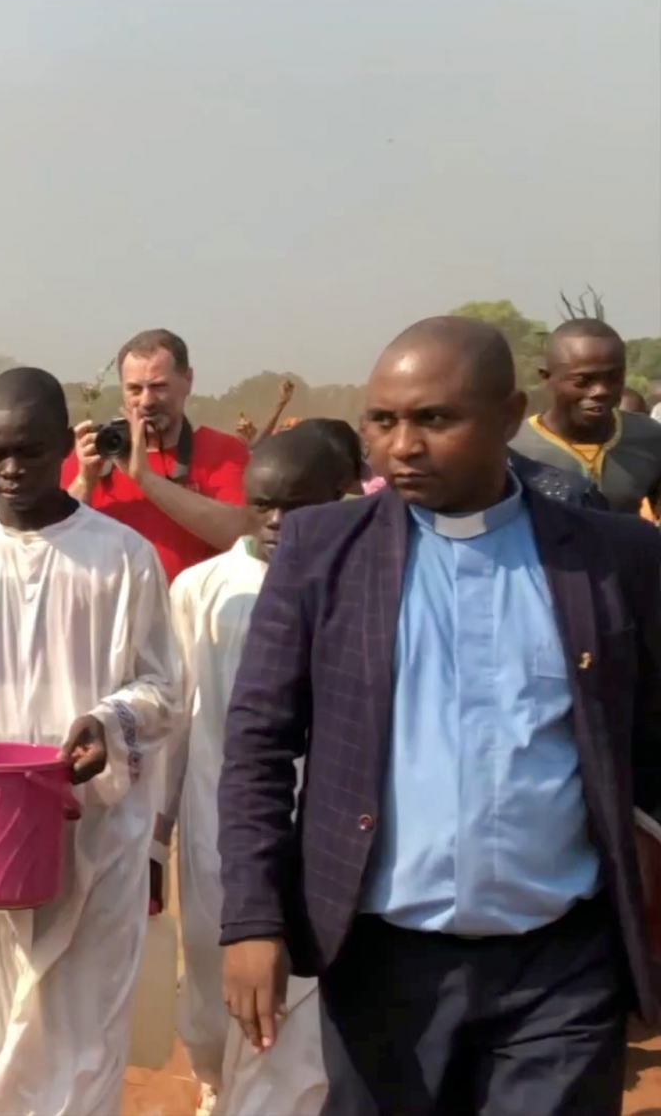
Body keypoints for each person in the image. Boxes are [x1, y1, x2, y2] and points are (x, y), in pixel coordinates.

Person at [221, 316, 661, 1116]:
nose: (403, 446)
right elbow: (257, 744)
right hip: (382, 960)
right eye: (383, 420)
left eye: (434, 419)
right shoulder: (324, 553)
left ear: (509, 414)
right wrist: (252, 918)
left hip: (560, 966)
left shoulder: (611, 558)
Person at [0, 368, 182, 1116]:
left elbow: (163, 687)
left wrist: (108, 719)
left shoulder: (122, 556)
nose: (11, 470)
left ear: (65, 444)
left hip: (92, 836)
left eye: (28, 451)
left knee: (84, 1043)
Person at [156, 429, 345, 1116]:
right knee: (212, 1003)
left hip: (329, 843)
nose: (276, 521)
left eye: (297, 506)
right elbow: (175, 721)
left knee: (302, 1014)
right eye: (263, 504)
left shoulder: (359, 589)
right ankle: (216, 1087)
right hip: (216, 837)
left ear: (342, 498)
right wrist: (158, 832)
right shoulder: (200, 589)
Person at [67, 329, 251, 581]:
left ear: (187, 380)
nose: (147, 401)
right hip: (112, 612)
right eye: (134, 389)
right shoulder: (94, 455)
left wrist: (145, 478)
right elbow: (52, 540)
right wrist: (85, 481)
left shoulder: (223, 451)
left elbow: (239, 536)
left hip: (187, 614)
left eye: (158, 386)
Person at [509, 317, 661, 515]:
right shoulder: (512, 449)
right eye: (583, 381)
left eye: (613, 378)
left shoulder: (650, 439)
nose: (601, 391)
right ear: (547, 377)